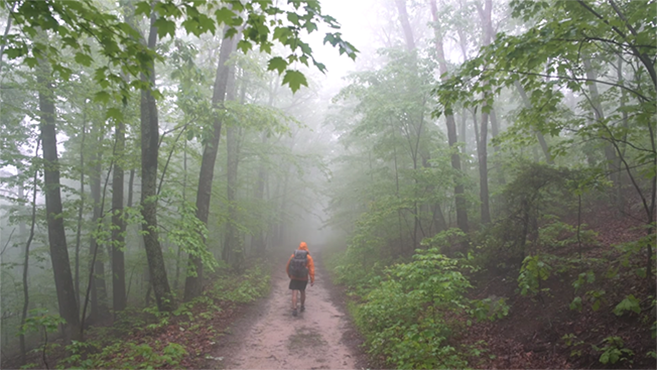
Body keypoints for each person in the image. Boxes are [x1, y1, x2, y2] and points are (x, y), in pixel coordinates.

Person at [286, 241, 315, 316]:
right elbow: (311, 269)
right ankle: (302, 306)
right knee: (302, 291)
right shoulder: (308, 257)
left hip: (294, 277)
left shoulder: (294, 255)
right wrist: (312, 279)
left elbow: (288, 265)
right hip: (303, 278)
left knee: (294, 293)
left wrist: (289, 274)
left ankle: (294, 309)